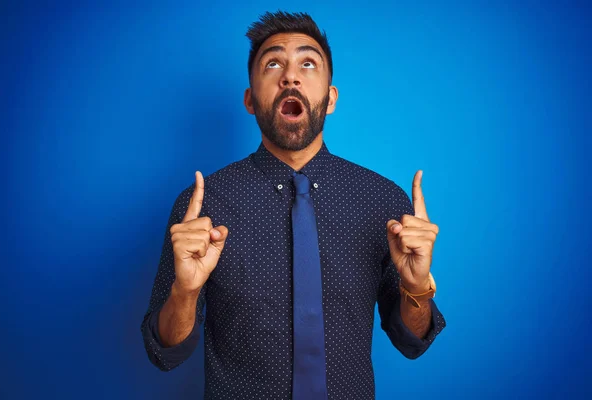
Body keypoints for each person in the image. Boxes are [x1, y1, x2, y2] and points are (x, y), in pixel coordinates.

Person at [141, 10, 446, 400]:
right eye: (272, 64)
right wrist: (184, 292)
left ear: (330, 97)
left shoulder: (383, 202)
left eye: (307, 63)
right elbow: (164, 351)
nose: (290, 76)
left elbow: (412, 341)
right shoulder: (200, 207)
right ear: (251, 100)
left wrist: (417, 286)